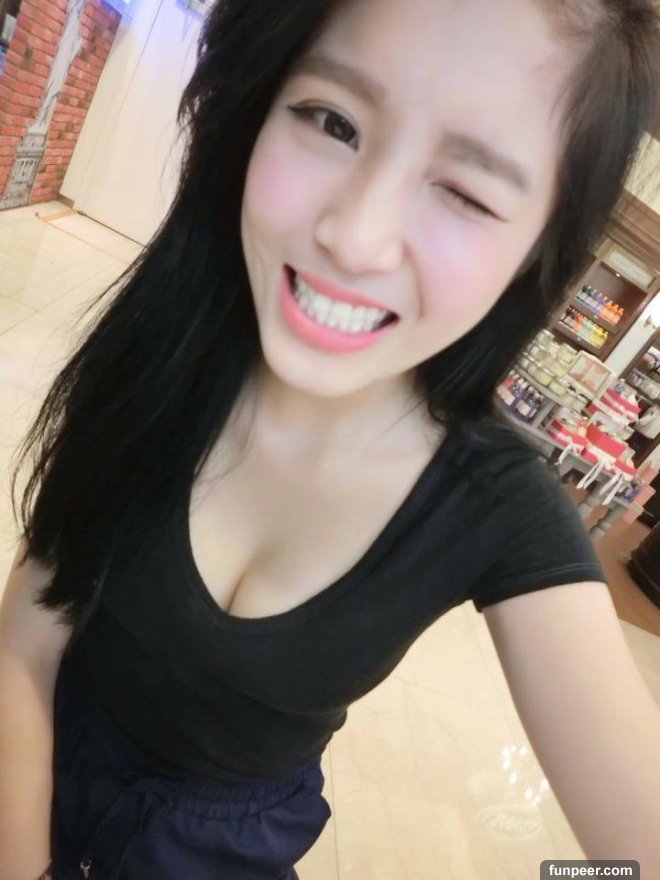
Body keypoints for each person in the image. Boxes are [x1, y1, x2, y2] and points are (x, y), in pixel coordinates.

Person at [2, 0, 660, 877]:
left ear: (539, 251)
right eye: (331, 121)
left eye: (466, 193)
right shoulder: (175, 336)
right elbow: (28, 634)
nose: (354, 236)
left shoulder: (501, 511)